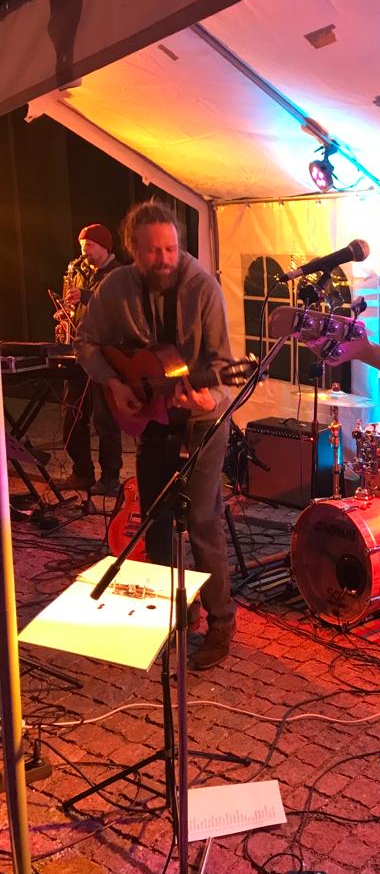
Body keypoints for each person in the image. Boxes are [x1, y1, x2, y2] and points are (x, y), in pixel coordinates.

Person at [76, 200, 237, 670]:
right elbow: (86, 342)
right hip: (153, 420)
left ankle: (221, 621)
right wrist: (114, 382)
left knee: (202, 519)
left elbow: (224, 368)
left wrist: (209, 399)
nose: (165, 259)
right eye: (153, 251)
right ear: (133, 250)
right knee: (156, 519)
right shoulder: (115, 286)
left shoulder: (203, 287)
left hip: (204, 419)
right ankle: (175, 614)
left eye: (171, 249)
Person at [58, 223, 124, 495]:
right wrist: (66, 316)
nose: (84, 252)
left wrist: (84, 296)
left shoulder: (119, 274)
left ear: (104, 247)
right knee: (72, 415)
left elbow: (115, 305)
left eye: (89, 247)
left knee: (105, 420)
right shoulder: (81, 272)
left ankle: (110, 478)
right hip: (79, 352)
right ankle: (82, 472)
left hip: (105, 355)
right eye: (82, 247)